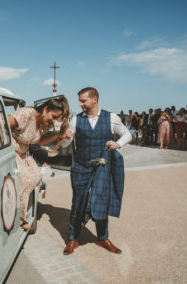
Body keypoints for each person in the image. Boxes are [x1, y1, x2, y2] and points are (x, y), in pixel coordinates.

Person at [62, 87, 131, 255]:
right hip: (80, 166)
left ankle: (102, 238)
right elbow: (65, 145)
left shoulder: (111, 117)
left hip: (102, 167)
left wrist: (118, 144)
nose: (80, 104)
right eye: (80, 101)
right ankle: (73, 239)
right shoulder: (76, 120)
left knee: (102, 200)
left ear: (94, 99)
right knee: (78, 202)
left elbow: (127, 134)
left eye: (83, 101)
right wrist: (65, 138)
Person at [7, 96, 70, 230]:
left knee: (36, 176)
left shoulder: (43, 123)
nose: (53, 121)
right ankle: (16, 218)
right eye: (53, 116)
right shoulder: (26, 114)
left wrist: (59, 135)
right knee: (25, 178)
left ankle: (21, 213)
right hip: (10, 151)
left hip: (24, 153)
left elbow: (39, 141)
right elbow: (2, 125)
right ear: (45, 109)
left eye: (56, 118)